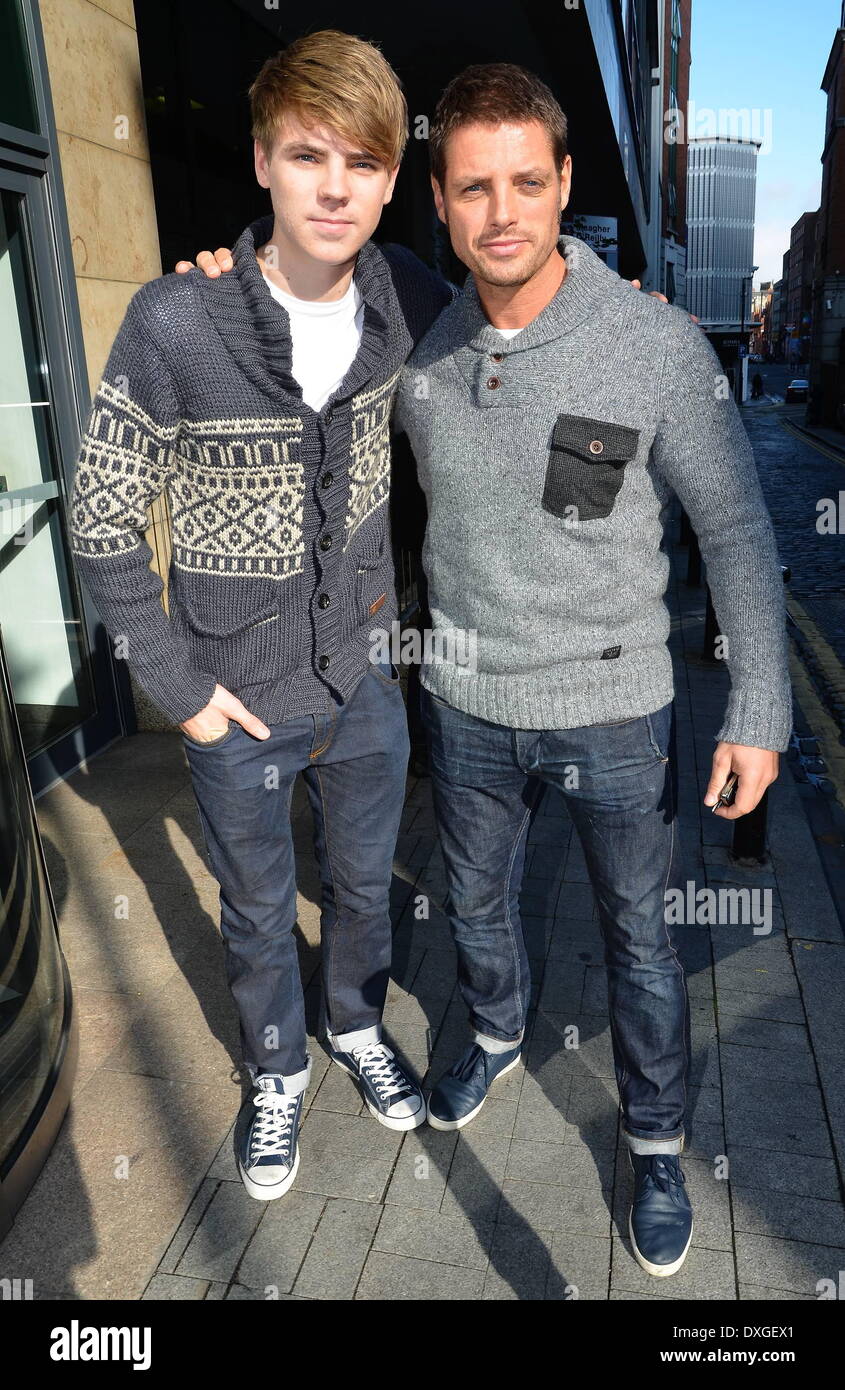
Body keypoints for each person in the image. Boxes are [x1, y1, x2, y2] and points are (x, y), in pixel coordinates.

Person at [179, 58, 790, 1281]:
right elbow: (299, 265)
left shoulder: (654, 344)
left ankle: (657, 1139)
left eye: (525, 181)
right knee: (470, 904)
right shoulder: (415, 318)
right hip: (460, 704)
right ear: (441, 205)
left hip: (618, 715)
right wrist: (227, 261)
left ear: (564, 184)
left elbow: (732, 530)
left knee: (638, 944)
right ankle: (500, 1025)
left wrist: (760, 708)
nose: (500, 212)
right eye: (471, 188)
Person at [68, 30, 456, 1204]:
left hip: (364, 693)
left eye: (361, 162)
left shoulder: (407, 300)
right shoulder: (176, 323)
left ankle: (351, 1022)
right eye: (306, 155)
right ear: (261, 164)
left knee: (357, 883)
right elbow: (97, 521)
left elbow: (519, 311)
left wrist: (610, 295)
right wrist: (179, 692)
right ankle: (274, 1068)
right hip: (236, 705)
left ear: (392, 181)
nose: (333, 185)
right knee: (248, 906)